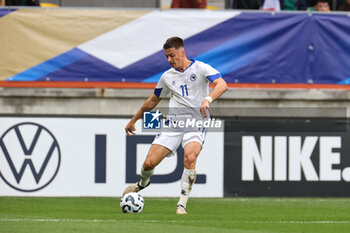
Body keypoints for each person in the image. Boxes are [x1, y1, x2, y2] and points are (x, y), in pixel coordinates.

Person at [123, 37, 228, 214]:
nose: (170, 60)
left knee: (190, 157)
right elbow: (153, 100)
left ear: (182, 52)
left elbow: (222, 84)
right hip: (173, 123)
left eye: (172, 55)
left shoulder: (201, 68)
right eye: (167, 57)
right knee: (149, 163)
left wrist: (207, 99)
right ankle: (142, 183)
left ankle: (182, 203)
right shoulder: (167, 77)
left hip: (196, 122)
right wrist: (134, 120)